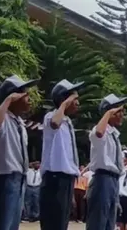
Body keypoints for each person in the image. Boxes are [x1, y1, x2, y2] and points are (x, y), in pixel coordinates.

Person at [0, 75, 38, 230]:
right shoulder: (2, 118)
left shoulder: (19, 123)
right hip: (3, 179)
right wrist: (7, 100)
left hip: (18, 179)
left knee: (11, 225)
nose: (29, 99)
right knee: (0, 225)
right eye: (24, 94)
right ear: (13, 96)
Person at [40, 78, 85, 230]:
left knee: (61, 223)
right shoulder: (51, 117)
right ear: (63, 99)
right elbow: (54, 123)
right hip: (55, 179)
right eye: (74, 99)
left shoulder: (67, 122)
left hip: (66, 180)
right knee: (53, 222)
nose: (77, 103)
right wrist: (65, 103)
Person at [86, 93, 127, 230]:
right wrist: (108, 113)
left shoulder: (115, 135)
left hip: (113, 181)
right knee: (98, 223)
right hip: (102, 180)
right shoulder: (100, 131)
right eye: (118, 111)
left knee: (109, 223)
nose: (122, 115)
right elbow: (98, 132)